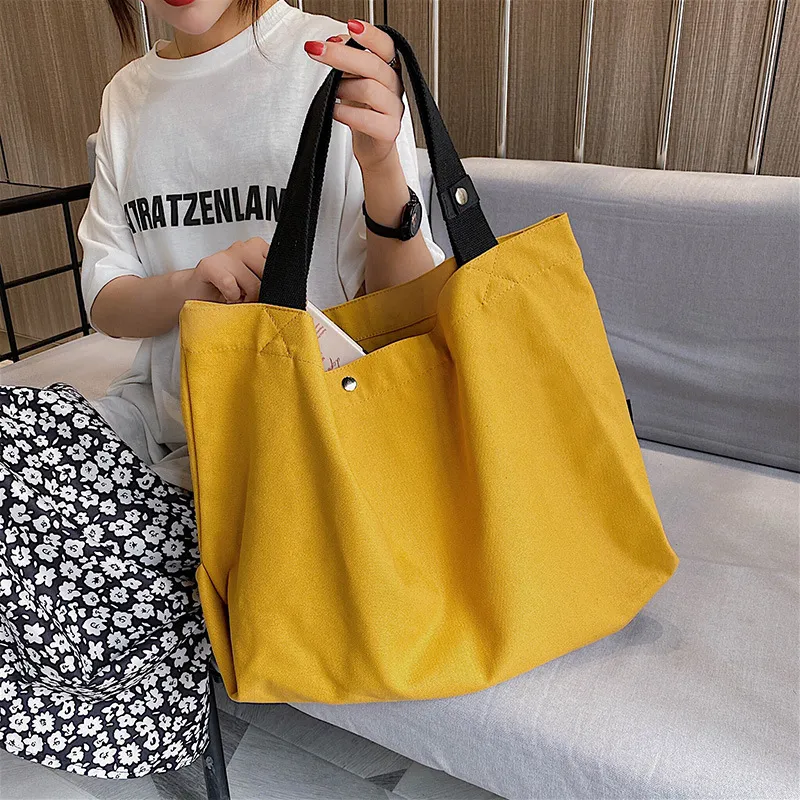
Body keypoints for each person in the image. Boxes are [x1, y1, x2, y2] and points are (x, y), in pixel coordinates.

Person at [0, 0, 445, 779]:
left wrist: (382, 170)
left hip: (300, 452)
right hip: (162, 430)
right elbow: (107, 302)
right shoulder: (128, 96)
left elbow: (408, 313)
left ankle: (154, 683)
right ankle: (155, 677)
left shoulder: (327, 57)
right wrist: (192, 287)